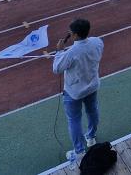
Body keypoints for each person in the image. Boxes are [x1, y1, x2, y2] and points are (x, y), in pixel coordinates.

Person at [52, 18, 104, 166]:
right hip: (92, 86)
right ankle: (91, 137)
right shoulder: (97, 42)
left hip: (74, 92)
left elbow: (57, 68)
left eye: (70, 33)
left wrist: (59, 51)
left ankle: (79, 151)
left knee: (74, 120)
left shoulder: (71, 53)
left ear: (75, 35)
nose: (69, 34)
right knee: (92, 111)